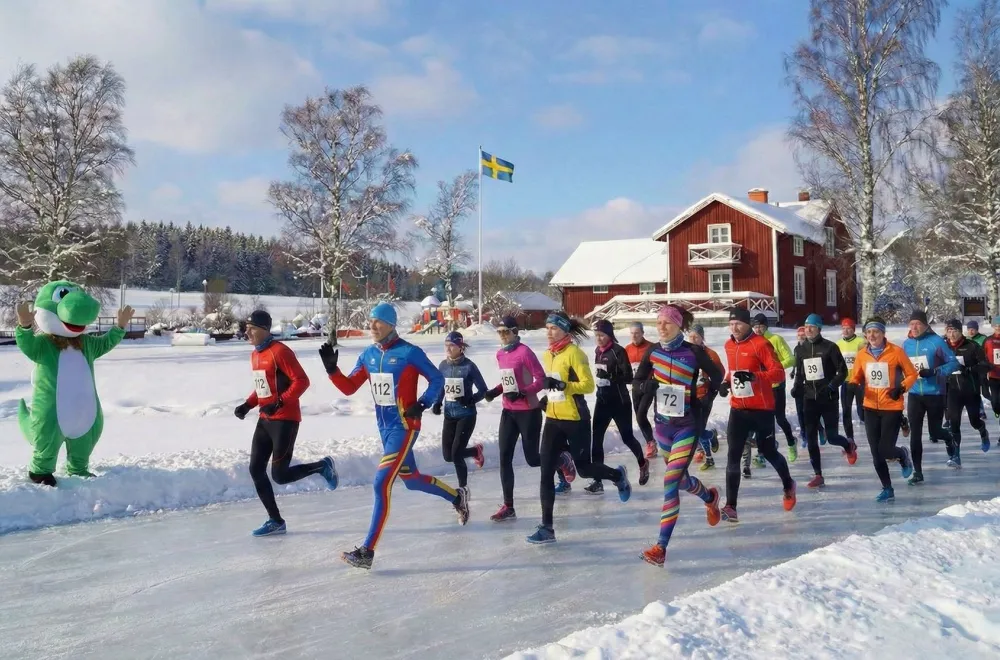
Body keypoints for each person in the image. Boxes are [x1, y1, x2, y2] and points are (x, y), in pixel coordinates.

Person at [319, 302, 469, 569]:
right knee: (410, 480)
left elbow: (437, 380)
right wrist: (333, 371)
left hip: (405, 426)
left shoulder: (409, 352)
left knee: (380, 483)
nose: (372, 326)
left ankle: (367, 552)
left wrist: (422, 403)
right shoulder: (368, 355)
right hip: (384, 429)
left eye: (378, 321)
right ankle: (457, 497)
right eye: (370, 321)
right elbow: (350, 387)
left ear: (390, 324)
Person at [528, 311, 631, 544]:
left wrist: (563, 385)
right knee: (545, 472)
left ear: (564, 330)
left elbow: (587, 385)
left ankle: (617, 475)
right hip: (553, 419)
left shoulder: (575, 353)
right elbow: (554, 385)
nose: (549, 332)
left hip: (576, 420)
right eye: (547, 328)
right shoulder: (548, 355)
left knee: (584, 469)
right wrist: (548, 392)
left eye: (553, 328)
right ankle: (547, 528)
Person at [234, 310, 338, 536]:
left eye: (252, 328)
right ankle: (275, 520)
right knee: (255, 469)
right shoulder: (256, 355)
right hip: (265, 419)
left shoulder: (280, 351)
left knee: (279, 476)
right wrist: (248, 405)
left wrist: (279, 403)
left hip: (285, 420)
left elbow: (302, 381)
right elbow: (264, 387)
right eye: (246, 328)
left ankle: (322, 466)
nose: (247, 332)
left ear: (264, 329)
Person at [634, 305, 723, 567]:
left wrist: (706, 391)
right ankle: (710, 497)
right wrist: (648, 385)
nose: (661, 327)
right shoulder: (653, 351)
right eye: (658, 322)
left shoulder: (694, 352)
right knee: (682, 481)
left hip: (687, 425)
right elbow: (637, 381)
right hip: (663, 426)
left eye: (667, 323)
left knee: (670, 482)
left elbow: (717, 375)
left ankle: (660, 548)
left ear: (678, 326)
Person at [718, 307, 797, 523]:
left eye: (739, 324)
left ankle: (788, 484)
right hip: (738, 409)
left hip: (762, 409)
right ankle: (731, 506)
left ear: (748, 325)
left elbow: (778, 372)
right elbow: (731, 370)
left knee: (769, 452)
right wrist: (725, 383)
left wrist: (756, 377)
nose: (734, 328)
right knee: (732, 457)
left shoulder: (761, 344)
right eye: (731, 324)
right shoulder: (728, 345)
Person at [482, 316, 548, 522]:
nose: (502, 336)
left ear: (515, 332)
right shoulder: (500, 354)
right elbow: (508, 381)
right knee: (504, 457)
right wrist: (495, 390)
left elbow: (541, 379)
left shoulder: (525, 352)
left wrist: (522, 393)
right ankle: (508, 506)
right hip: (508, 411)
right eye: (499, 332)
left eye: (505, 332)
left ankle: (561, 459)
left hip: (528, 410)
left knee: (532, 459)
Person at [846, 317, 916, 501]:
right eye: (869, 332)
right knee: (875, 452)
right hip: (870, 407)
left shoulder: (896, 352)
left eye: (876, 331)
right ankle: (887, 488)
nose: (872, 335)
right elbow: (857, 376)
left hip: (891, 406)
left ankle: (902, 454)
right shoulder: (862, 354)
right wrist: (853, 384)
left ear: (883, 333)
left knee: (885, 449)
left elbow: (912, 374)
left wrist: (901, 388)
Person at [790, 313, 859, 489]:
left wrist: (830, 387)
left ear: (819, 329)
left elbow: (842, 372)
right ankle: (818, 475)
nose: (808, 329)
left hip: (828, 398)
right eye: (806, 326)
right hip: (809, 399)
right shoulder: (801, 350)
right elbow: (799, 373)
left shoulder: (830, 347)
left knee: (832, 437)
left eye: (812, 326)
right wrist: (797, 387)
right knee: (811, 437)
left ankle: (848, 445)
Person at [588, 318, 650, 493]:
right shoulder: (597, 351)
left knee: (627, 437)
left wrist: (611, 378)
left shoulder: (618, 351)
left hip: (620, 402)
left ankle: (642, 463)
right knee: (597, 439)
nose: (599, 338)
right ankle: (597, 480)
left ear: (610, 335)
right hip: (602, 401)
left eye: (602, 335)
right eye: (597, 335)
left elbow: (629, 376)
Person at [902, 310, 959, 484]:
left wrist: (935, 371)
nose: (914, 327)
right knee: (915, 434)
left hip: (934, 393)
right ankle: (917, 472)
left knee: (935, 431)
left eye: (918, 323)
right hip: (914, 395)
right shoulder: (906, 345)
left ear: (925, 325)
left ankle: (949, 438)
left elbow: (954, 362)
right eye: (911, 324)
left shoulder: (936, 342)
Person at [432, 331, 488, 492]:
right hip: (449, 415)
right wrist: (437, 402)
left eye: (452, 346)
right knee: (448, 456)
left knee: (456, 454)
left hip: (467, 415)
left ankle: (463, 488)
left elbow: (483, 390)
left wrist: (471, 400)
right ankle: (475, 451)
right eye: (446, 345)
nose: (448, 349)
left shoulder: (469, 366)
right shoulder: (443, 365)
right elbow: (441, 386)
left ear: (460, 347)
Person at [750, 314, 798, 467]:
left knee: (779, 418)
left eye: (761, 326)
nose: (758, 330)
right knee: (761, 421)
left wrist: (774, 369)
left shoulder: (775, 339)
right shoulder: (751, 341)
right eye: (756, 326)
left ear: (766, 326)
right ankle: (761, 454)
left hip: (776, 385)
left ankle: (791, 442)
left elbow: (791, 359)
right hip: (760, 387)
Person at [943, 319, 990, 461]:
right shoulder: (943, 347)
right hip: (952, 391)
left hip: (971, 390)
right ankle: (956, 455)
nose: (952, 334)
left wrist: (969, 369)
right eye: (949, 331)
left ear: (960, 331)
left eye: (955, 331)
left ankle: (983, 431)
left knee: (974, 421)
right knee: (954, 423)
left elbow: (985, 365)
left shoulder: (972, 346)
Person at [687, 324, 724, 470]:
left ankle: (709, 458)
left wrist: (711, 393)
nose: (693, 339)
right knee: (695, 429)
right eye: (690, 336)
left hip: (704, 396)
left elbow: (719, 374)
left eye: (696, 336)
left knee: (698, 428)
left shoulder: (711, 354)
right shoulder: (684, 353)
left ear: (702, 337)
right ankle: (711, 436)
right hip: (689, 397)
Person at [624, 322, 656, 459]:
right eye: (632, 333)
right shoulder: (627, 349)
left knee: (642, 414)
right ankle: (650, 441)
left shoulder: (651, 347)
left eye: (637, 333)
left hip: (649, 387)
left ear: (642, 333)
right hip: (635, 387)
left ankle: (652, 442)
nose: (634, 336)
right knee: (639, 416)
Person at [836, 318, 866, 446]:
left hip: (859, 382)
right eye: (843, 328)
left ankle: (873, 431)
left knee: (862, 411)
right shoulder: (838, 344)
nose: (846, 331)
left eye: (848, 328)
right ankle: (850, 439)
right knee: (846, 411)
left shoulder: (861, 342)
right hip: (846, 382)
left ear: (853, 329)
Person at [984, 317, 1000, 418]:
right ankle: (997, 410)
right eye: (996, 326)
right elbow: (982, 356)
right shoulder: (988, 340)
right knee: (995, 402)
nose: (998, 327)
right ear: (993, 326)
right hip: (993, 376)